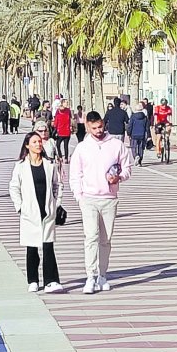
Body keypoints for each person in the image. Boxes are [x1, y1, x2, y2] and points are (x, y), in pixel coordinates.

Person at [70, 110, 133, 293]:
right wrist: (79, 196)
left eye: (100, 126)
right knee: (91, 237)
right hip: (88, 198)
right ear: (87, 127)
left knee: (105, 240)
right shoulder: (82, 148)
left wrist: (119, 177)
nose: (98, 130)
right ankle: (90, 276)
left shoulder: (116, 144)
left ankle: (102, 275)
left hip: (109, 199)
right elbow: (76, 174)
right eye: (94, 128)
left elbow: (127, 168)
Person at [9, 131, 63, 293]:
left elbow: (57, 185)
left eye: (39, 142)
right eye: (34, 142)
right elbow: (14, 187)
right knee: (31, 247)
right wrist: (19, 206)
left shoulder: (49, 165)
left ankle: (51, 281)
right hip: (29, 211)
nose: (38, 144)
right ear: (27, 145)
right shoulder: (20, 166)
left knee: (48, 247)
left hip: (46, 210)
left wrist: (56, 202)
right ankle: (32, 280)